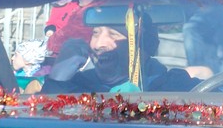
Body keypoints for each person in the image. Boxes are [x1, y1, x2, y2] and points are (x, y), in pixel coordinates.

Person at [42, 6, 203, 94]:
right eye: (95, 33)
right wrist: (58, 76)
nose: (98, 44)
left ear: (143, 47)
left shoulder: (175, 87)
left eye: (113, 33)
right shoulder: (76, 87)